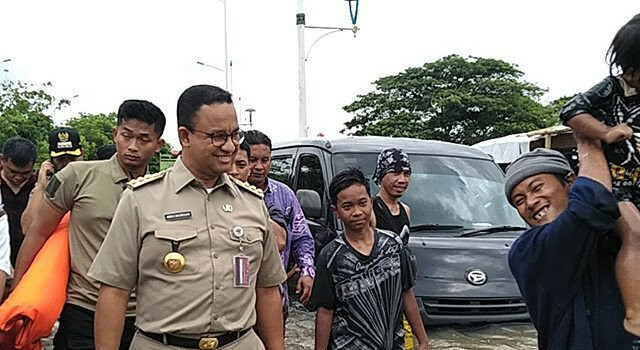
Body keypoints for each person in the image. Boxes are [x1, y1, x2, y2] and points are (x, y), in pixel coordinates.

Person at [89, 85, 286, 350]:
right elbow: (114, 291)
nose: (229, 146)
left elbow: (267, 289)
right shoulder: (141, 199)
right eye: (217, 136)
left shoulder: (251, 203)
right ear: (184, 136)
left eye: (234, 135)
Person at [12, 99, 166, 350]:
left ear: (158, 144)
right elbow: (38, 233)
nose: (133, 147)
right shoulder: (77, 176)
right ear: (115, 134)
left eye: (144, 139)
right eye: (126, 136)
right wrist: (18, 297)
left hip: (144, 316)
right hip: (84, 310)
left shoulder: (163, 190)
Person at [505, 142, 640, 349]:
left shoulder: (612, 237)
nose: (530, 202)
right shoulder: (528, 251)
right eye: (519, 200)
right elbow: (593, 201)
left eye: (537, 188)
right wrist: (588, 140)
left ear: (569, 182)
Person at [559, 13, 640, 336]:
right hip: (613, 186)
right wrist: (605, 132)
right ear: (631, 70)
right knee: (633, 232)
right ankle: (634, 312)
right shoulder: (611, 89)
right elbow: (571, 112)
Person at [311, 168, 429, 350]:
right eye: (347, 207)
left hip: (393, 344)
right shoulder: (330, 256)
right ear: (336, 211)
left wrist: (422, 340)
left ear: (371, 202)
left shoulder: (394, 245)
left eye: (362, 203)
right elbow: (325, 311)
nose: (357, 212)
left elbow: (406, 293)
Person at [245, 130, 315, 315]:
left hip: (276, 294)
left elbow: (302, 238)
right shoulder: (230, 193)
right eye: (253, 160)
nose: (259, 167)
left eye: (265, 160)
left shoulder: (284, 195)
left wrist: (307, 271)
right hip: (240, 297)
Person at [370, 147, 416, 348]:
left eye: (406, 174)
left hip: (401, 294)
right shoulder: (370, 209)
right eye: (395, 173)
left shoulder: (406, 210)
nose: (402, 179)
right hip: (376, 298)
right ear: (381, 175)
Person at [21, 127, 83, 233]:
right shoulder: (42, 183)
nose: (67, 164)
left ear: (82, 154)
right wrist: (41, 187)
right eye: (61, 159)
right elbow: (27, 228)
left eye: (72, 158)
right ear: (51, 158)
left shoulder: (91, 178)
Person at [228, 141, 287, 252]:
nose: (233, 171)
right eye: (227, 165)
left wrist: (249, 207)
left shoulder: (261, 202)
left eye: (241, 165)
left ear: (248, 169)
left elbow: (280, 242)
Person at [0, 137, 37, 267]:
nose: (18, 177)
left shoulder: (40, 186)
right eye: (12, 171)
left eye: (25, 173)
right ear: (2, 160)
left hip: (30, 266)